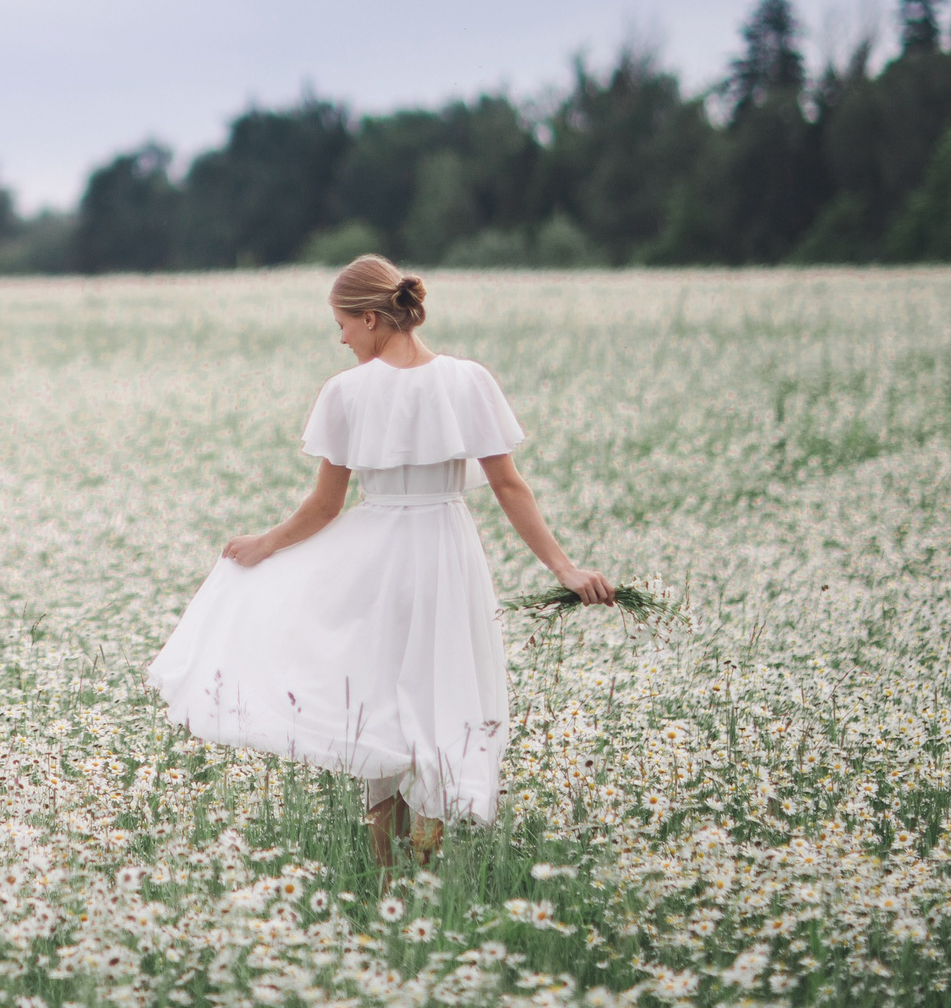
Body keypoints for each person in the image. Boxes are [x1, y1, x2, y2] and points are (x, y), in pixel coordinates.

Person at [144, 255, 613, 876]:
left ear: (371, 318)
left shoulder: (346, 392)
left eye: (342, 325)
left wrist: (264, 545)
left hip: (380, 555)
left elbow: (324, 507)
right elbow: (510, 486)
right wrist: (564, 568)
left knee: (380, 695)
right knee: (442, 691)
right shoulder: (470, 379)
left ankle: (390, 878)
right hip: (447, 550)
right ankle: (424, 869)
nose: (339, 339)